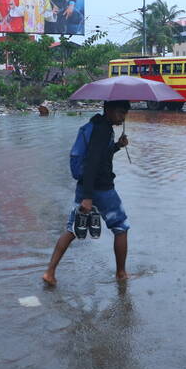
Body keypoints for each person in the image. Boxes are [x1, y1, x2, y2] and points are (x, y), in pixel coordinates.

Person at [43, 101, 131, 286]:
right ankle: (121, 274)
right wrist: (88, 198)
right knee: (121, 227)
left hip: (85, 186)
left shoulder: (96, 125)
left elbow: (99, 156)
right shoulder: (102, 130)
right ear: (109, 110)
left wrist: (117, 146)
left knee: (73, 228)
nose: (123, 117)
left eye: (125, 114)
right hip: (100, 188)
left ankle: (50, 272)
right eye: (121, 112)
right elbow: (92, 163)